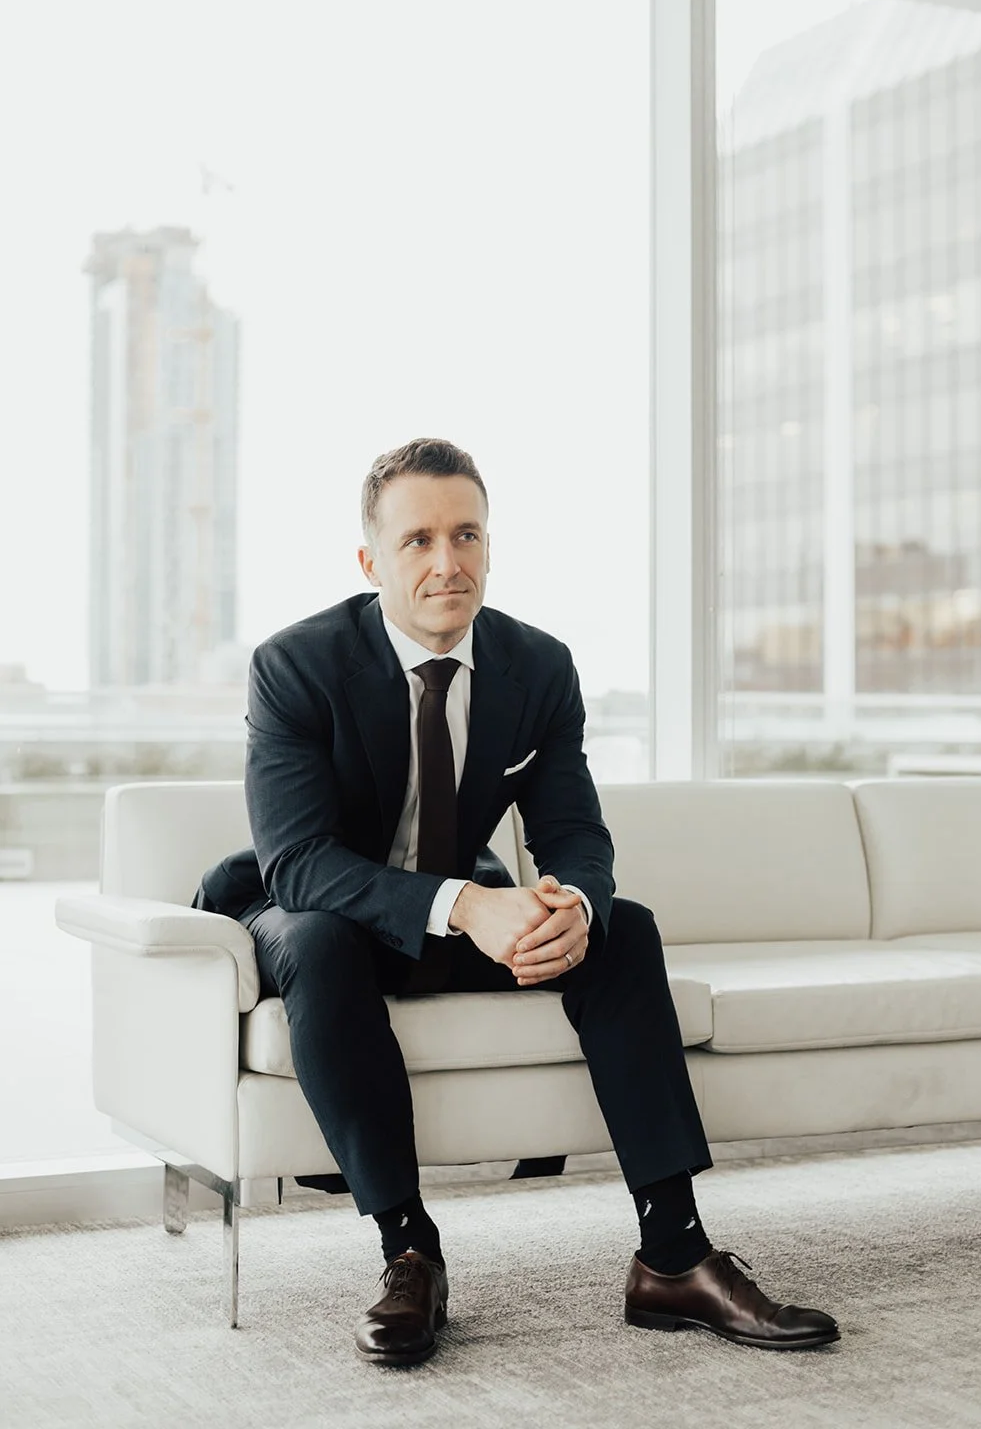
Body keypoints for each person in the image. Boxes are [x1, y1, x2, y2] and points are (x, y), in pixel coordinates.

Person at [196, 437, 840, 1365]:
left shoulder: (535, 666)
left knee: (622, 930)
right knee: (322, 937)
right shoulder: (296, 666)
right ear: (370, 561)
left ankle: (673, 1256)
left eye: (466, 535)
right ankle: (409, 1255)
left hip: (460, 913)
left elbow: (573, 831)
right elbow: (297, 862)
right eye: (418, 540)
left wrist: (571, 902)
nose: (446, 563)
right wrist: (467, 905)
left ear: (490, 546)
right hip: (316, 912)